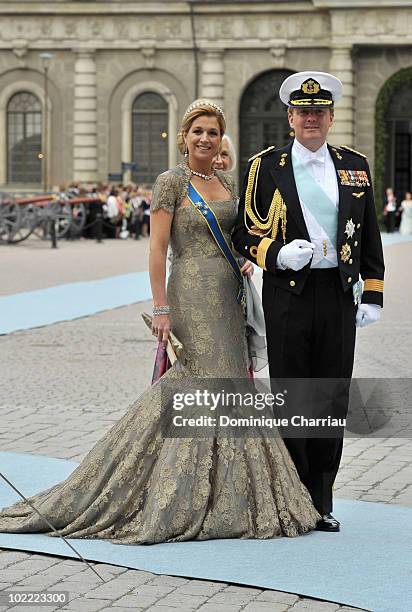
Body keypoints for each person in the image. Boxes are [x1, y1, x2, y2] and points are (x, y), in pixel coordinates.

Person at [0, 99, 319, 543]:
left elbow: (242, 234)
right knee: (201, 380)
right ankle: (168, 491)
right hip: (189, 291)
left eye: (212, 132)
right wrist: (162, 306)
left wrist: (248, 261)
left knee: (232, 382)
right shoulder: (171, 182)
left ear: (220, 137)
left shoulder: (228, 180)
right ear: (184, 136)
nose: (205, 139)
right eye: (197, 132)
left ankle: (231, 496)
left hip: (229, 293)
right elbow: (156, 249)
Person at [233, 72, 385, 532]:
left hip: (337, 296)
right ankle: (292, 495)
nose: (311, 119)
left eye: (319, 112)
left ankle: (321, 500)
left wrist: (373, 294)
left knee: (331, 396)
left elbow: (371, 235)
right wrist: (275, 254)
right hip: (288, 295)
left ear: (331, 117)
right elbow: (243, 231)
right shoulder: (265, 166)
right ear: (290, 118)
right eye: (303, 112)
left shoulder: (354, 165)